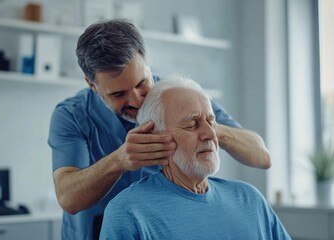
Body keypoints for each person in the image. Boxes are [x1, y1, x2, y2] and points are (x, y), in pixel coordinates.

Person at [48, 19, 271, 239]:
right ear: (91, 85)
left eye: (141, 83)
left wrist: (202, 125)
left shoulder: (178, 95)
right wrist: (119, 161)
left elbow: (262, 157)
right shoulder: (71, 116)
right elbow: (68, 198)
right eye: (118, 94)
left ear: (146, 64)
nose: (135, 100)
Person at [100, 77, 290, 240]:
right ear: (154, 136)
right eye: (192, 124)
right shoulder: (128, 212)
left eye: (211, 121)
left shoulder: (250, 199)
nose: (211, 134)